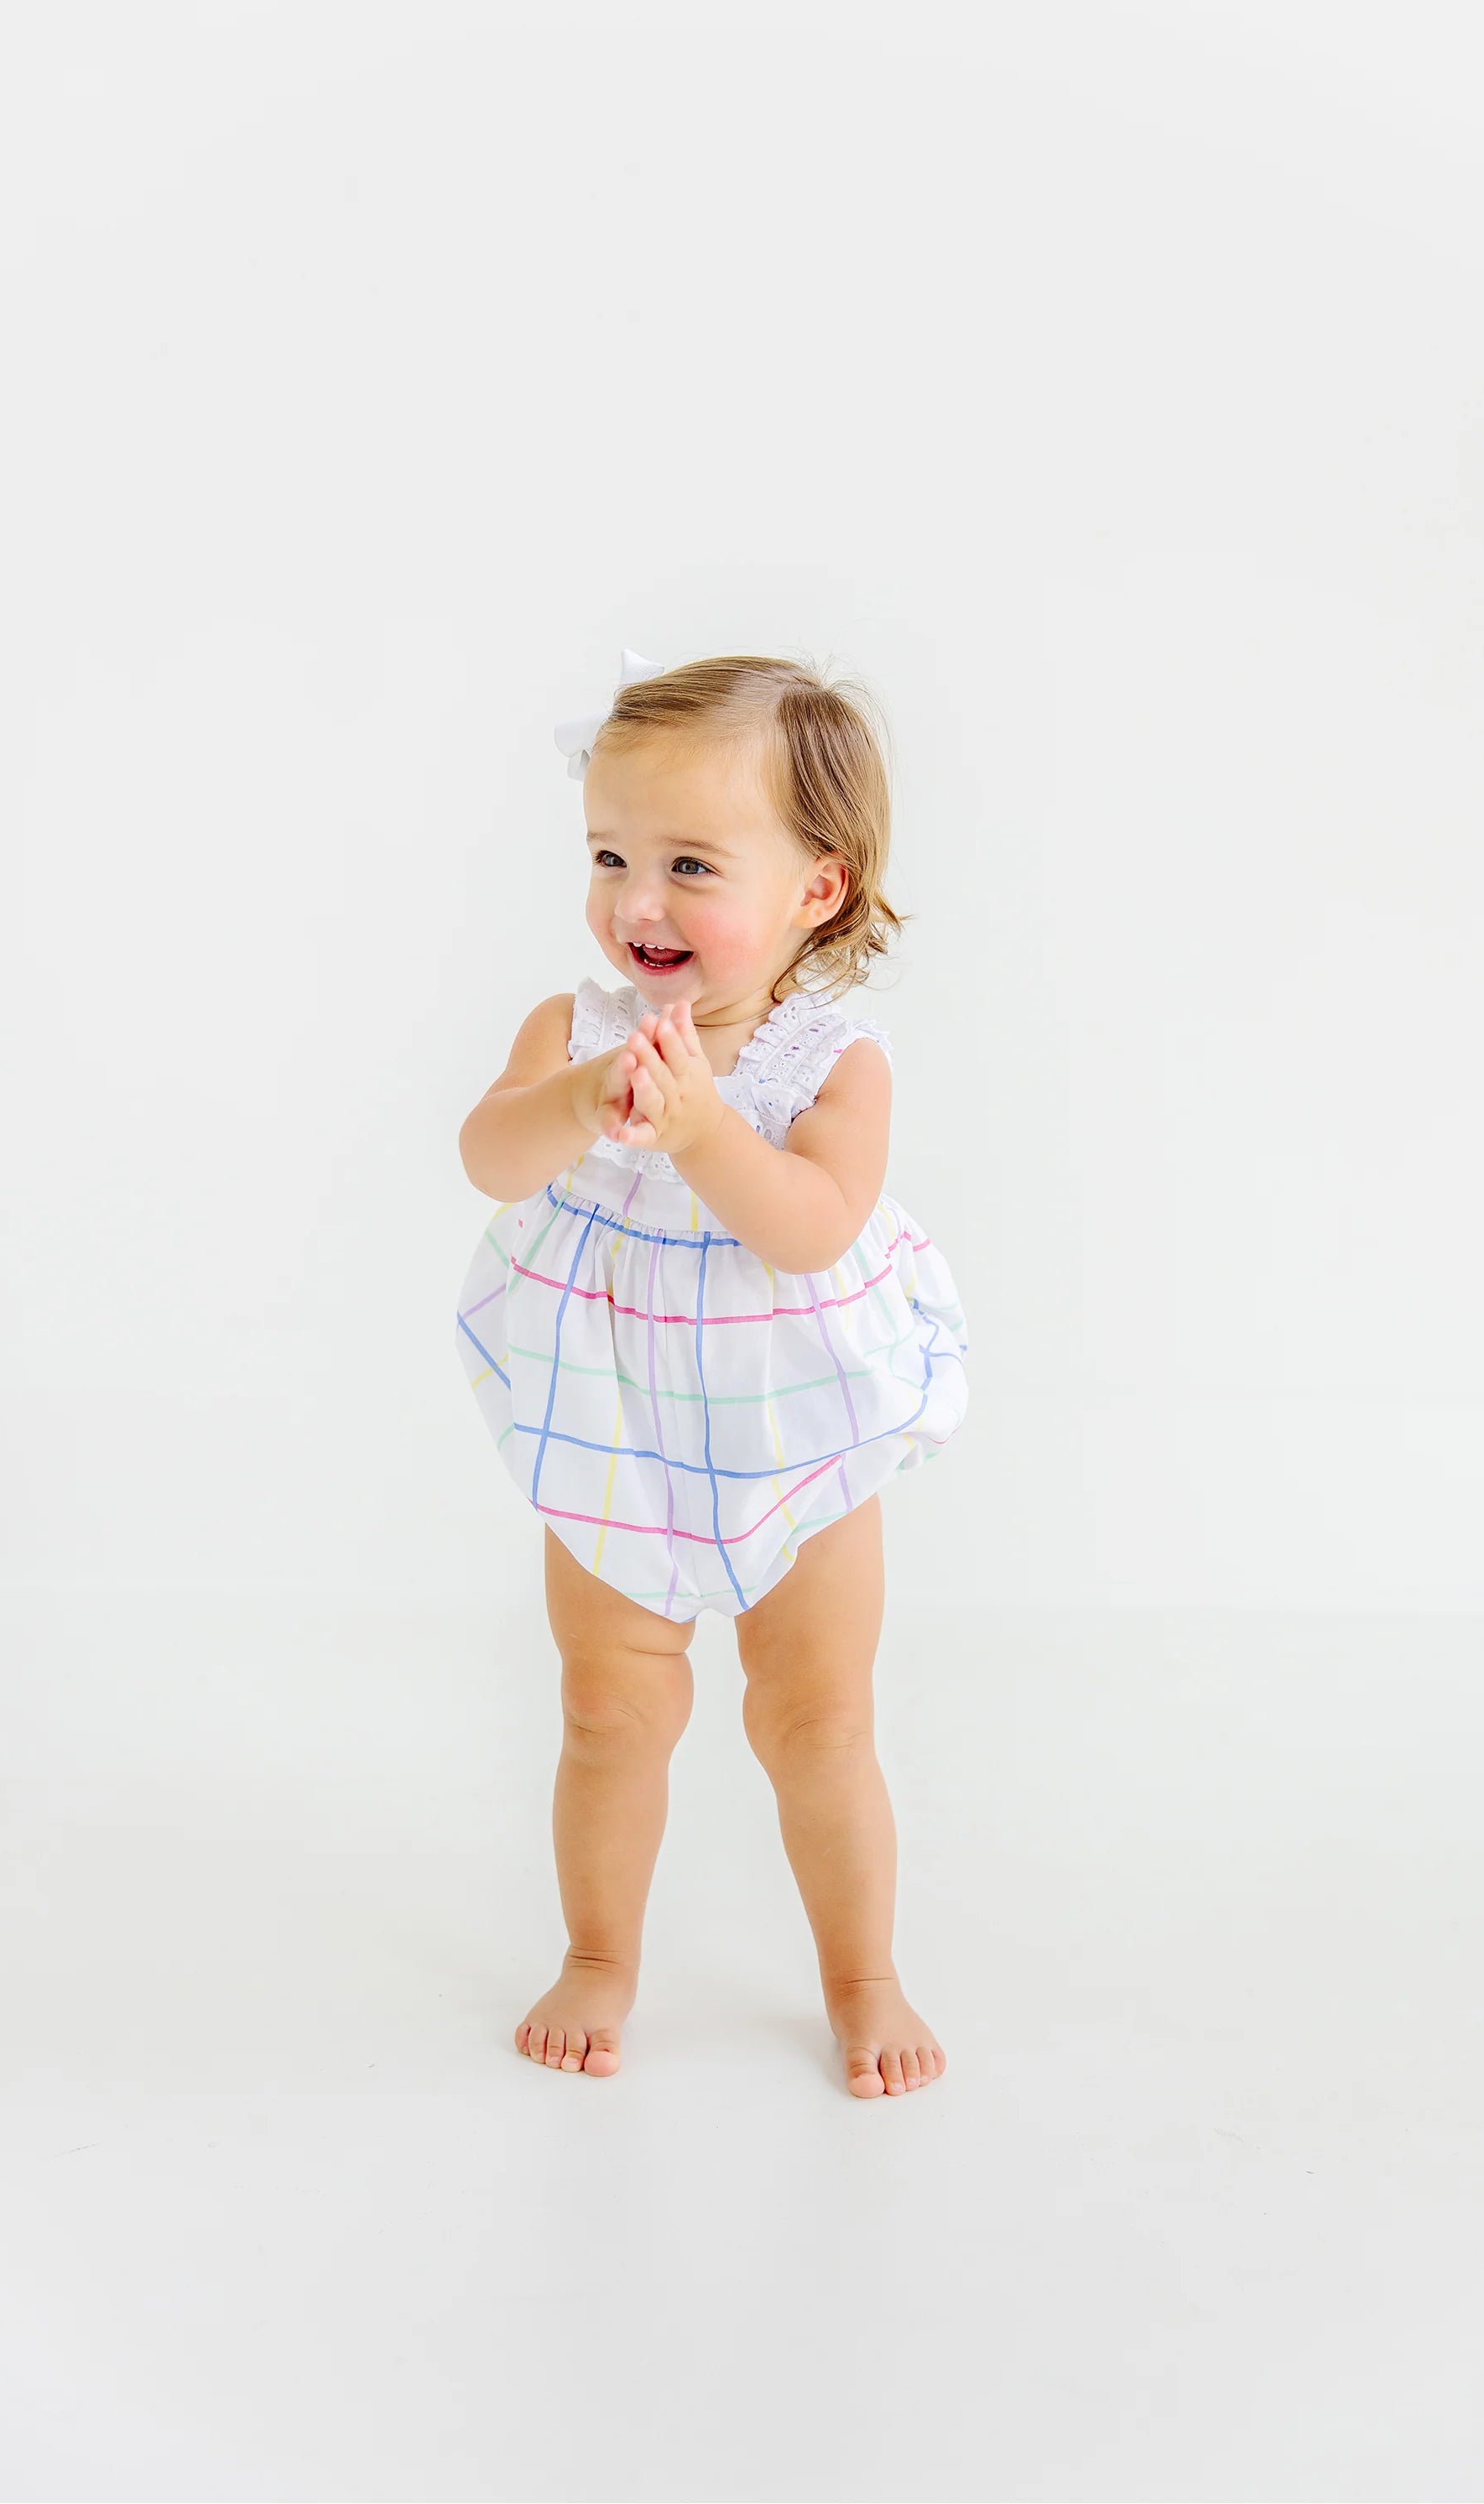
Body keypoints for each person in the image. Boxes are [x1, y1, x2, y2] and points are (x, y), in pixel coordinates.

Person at [454, 648, 969, 2098]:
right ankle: (599, 1954)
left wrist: (701, 1132)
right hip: (616, 1428)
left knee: (818, 1723)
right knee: (610, 1709)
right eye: (610, 855)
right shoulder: (577, 1032)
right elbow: (488, 1159)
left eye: (689, 865)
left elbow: (809, 1229)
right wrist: (577, 1098)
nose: (638, 901)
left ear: (818, 888)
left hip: (798, 1435)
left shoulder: (831, 1063)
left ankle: (862, 1977)